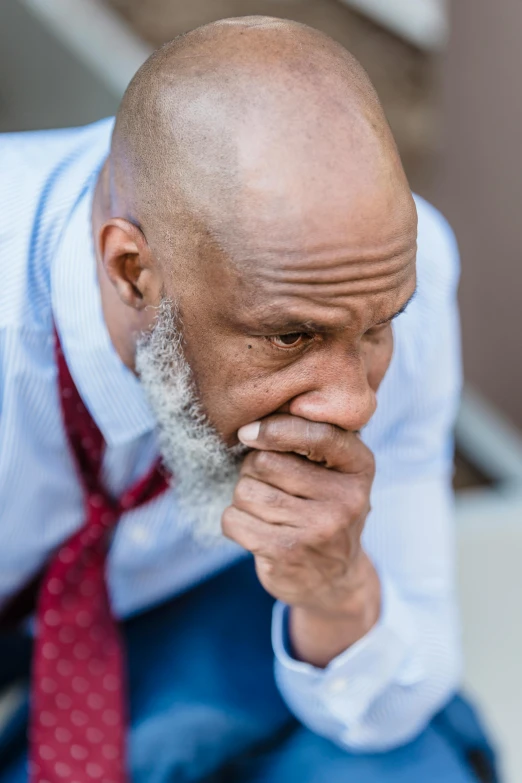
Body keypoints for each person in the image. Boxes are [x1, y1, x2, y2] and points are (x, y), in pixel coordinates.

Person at [0, 16, 496, 783]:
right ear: (132, 272)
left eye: (377, 327)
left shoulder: (381, 275)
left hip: (184, 613)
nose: (352, 405)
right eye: (291, 337)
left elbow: (401, 685)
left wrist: (337, 588)